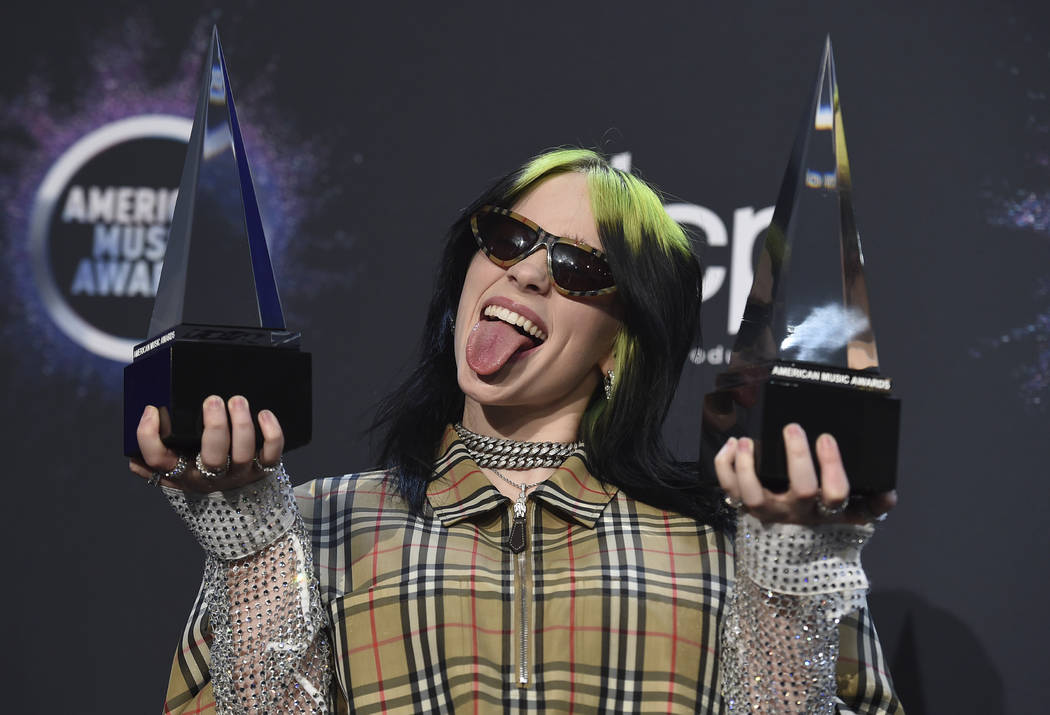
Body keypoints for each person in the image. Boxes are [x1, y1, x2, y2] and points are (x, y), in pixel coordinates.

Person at [132, 148, 902, 714]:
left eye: (578, 267)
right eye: (507, 238)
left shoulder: (735, 549)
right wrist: (254, 553)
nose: (528, 273)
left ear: (621, 346)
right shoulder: (310, 526)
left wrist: (786, 590)